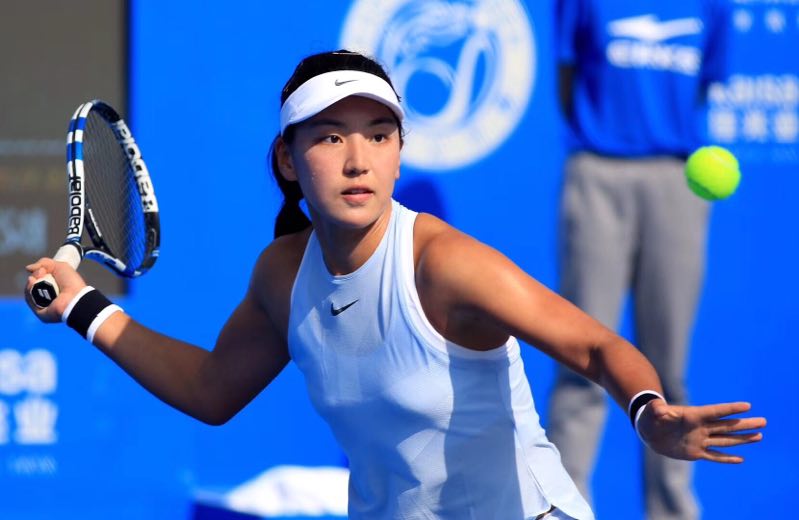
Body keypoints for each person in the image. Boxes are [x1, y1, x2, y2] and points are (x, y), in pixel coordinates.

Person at [25, 50, 762, 520]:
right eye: (330, 136)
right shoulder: (282, 274)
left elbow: (595, 346)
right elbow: (212, 390)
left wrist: (647, 412)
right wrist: (85, 307)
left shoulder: (444, 264)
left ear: (399, 155)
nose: (358, 159)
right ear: (288, 160)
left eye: (379, 135)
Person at [547, 1, 735, 518]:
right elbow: (567, 78)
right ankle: (563, 506)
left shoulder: (713, 6)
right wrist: (606, 138)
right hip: (597, 174)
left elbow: (703, 86)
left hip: (677, 180)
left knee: (668, 367)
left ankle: (671, 509)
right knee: (580, 357)